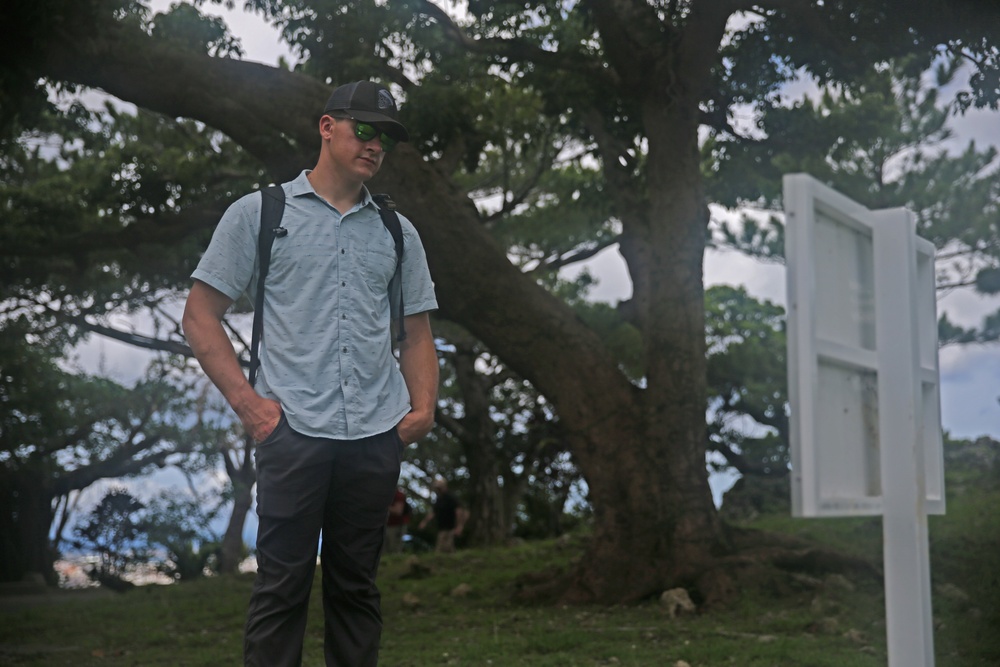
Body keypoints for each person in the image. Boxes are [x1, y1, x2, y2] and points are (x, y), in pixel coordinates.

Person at [182, 80, 439, 667]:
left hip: (375, 433)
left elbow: (416, 332)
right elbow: (200, 317)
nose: (375, 145)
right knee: (281, 589)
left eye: (386, 138)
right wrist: (253, 409)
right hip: (291, 428)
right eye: (364, 129)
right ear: (327, 127)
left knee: (357, 591)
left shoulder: (399, 232)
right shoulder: (259, 213)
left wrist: (422, 408)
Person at [418, 478, 467, 553]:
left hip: (450, 528)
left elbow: (459, 511)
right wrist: (424, 522)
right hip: (442, 528)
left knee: (444, 550)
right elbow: (433, 512)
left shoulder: (451, 497)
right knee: (445, 550)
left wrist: (459, 526)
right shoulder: (439, 499)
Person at [384, 488, 411, 554]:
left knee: (394, 550)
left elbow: (398, 511)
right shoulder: (385, 493)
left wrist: (382, 507)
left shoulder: (398, 495)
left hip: (397, 525)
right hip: (387, 525)